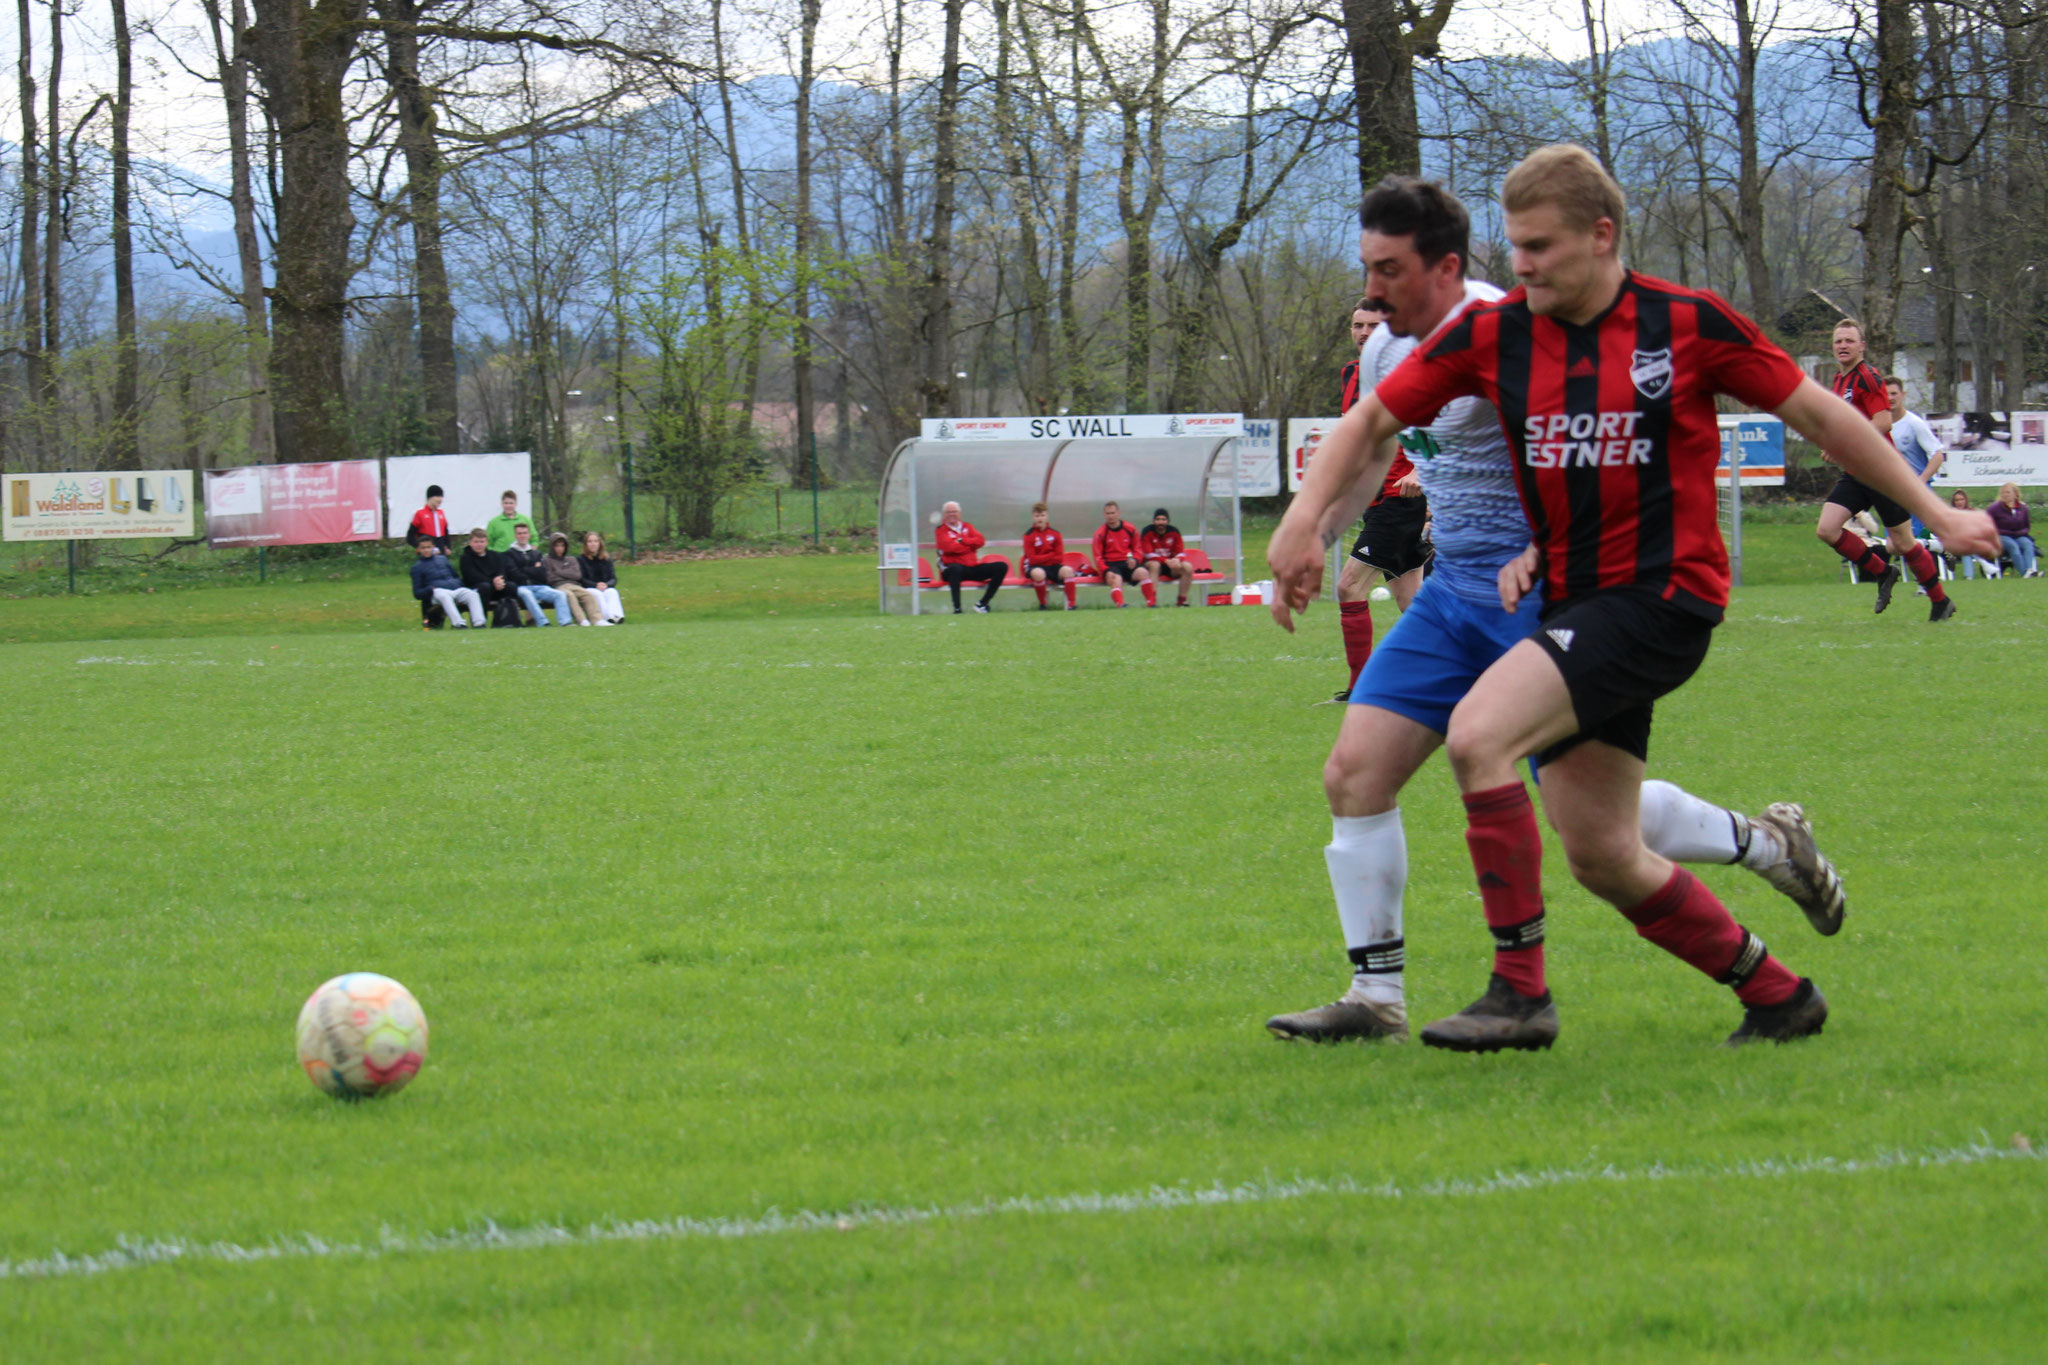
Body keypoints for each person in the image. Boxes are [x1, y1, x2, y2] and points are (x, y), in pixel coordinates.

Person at [1268, 145, 1997, 1051]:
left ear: (1601, 235)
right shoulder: (1493, 337)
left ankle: (1519, 993)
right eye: (1515, 246)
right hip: (1543, 598)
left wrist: (1934, 512)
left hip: (1658, 597)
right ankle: (1779, 993)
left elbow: (1824, 416)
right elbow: (1369, 426)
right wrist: (1304, 522)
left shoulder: (1683, 322)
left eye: (1537, 246)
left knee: (1481, 737)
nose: (1522, 265)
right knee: (1603, 849)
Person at [1811, 323, 1955, 621]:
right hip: (1856, 470)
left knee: (1903, 543)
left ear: (1861, 345)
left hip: (1882, 470)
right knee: (1827, 529)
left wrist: (1842, 444)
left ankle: (1940, 601)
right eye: (1838, 340)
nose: (1843, 345)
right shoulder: (1840, 379)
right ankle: (1883, 571)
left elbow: (1882, 422)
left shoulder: (1868, 377)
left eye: (1850, 340)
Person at [1330, 295, 1430, 702]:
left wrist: (1419, 470)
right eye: (1358, 325)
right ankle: (1465, 676)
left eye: (1374, 326)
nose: (1364, 333)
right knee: (1414, 602)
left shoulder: (1410, 372)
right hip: (1374, 499)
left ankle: (1362, 688)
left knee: (1349, 586)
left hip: (1400, 499)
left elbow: (1438, 424)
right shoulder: (1351, 374)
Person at [934, 502, 1008, 613]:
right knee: (955, 568)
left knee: (1001, 566)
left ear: (960, 514)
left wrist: (963, 540)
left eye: (954, 511)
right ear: (944, 515)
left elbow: (981, 541)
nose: (951, 514)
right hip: (952, 569)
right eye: (948, 512)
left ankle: (982, 604)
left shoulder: (968, 527)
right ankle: (957, 609)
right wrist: (971, 547)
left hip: (971, 567)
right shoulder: (940, 530)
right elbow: (949, 548)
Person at [410, 536, 483, 628]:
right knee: (444, 596)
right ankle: (459, 623)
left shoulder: (442, 559)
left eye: (428, 547)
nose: (426, 550)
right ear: (418, 550)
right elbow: (417, 593)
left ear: (433, 547)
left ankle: (479, 623)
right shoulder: (417, 567)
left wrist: (457, 583)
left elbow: (455, 575)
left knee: (472, 594)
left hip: (454, 589)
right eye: (423, 548)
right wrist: (430, 589)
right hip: (436, 593)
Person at [503, 523, 569, 625]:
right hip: (521, 587)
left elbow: (542, 574)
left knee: (560, 594)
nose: (522, 536)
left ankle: (565, 622)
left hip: (538, 586)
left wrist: (524, 569)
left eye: (525, 533)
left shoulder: (536, 553)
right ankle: (543, 622)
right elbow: (514, 574)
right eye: (519, 533)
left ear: (529, 535)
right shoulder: (509, 554)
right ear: (515, 536)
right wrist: (533, 569)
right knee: (527, 594)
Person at [1091, 502, 1153, 607]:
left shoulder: (1130, 529)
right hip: (1111, 565)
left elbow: (1138, 549)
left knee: (1143, 572)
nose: (1110, 516)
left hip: (1127, 563)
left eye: (1113, 513)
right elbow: (1098, 557)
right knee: (1116, 579)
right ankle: (1121, 604)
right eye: (1108, 514)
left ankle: (1151, 603)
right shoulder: (1100, 533)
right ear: (1104, 515)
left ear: (1118, 513)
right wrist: (1106, 570)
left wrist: (1136, 560)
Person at [1020, 503, 1078, 610]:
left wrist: (1043, 557)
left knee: (1068, 571)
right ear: (1033, 517)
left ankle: (1071, 605)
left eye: (1042, 515)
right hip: (1036, 567)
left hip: (1052, 566)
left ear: (1047, 516)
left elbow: (1059, 558)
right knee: (1039, 574)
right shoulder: (1028, 536)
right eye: (1037, 516)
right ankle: (1043, 604)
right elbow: (1032, 560)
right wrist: (1051, 555)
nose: (1040, 519)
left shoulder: (1055, 534)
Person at [457, 528, 518, 626]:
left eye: (482, 541)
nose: (479, 544)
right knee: (485, 587)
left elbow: (501, 571)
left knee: (511, 586)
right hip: (476, 588)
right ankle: (480, 621)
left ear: (487, 542)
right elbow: (472, 576)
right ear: (470, 543)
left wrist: (500, 581)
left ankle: (508, 619)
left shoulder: (495, 556)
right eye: (476, 542)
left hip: (495, 587)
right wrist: (492, 582)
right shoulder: (465, 558)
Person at [542, 531, 606, 625]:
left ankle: (597, 620)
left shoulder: (571, 559)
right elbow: (550, 577)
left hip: (574, 585)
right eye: (557, 546)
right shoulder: (547, 560)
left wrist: (558, 571)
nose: (560, 548)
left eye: (562, 545)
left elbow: (576, 575)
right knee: (569, 595)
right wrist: (566, 572)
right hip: (558, 586)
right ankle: (581, 620)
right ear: (552, 547)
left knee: (588, 595)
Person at [1140, 508, 1196, 606]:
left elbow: (1181, 552)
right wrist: (1166, 561)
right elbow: (1148, 554)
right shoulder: (1147, 531)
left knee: (1188, 567)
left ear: (1168, 521)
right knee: (1155, 565)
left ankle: (1182, 601)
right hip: (1154, 564)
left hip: (1170, 565)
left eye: (1163, 519)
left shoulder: (1174, 532)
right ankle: (1152, 601)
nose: (1160, 522)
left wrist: (1176, 560)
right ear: (1153, 521)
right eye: (1158, 519)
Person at [1990, 483, 2039, 577]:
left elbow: (2027, 526)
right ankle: (2025, 573)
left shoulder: (2023, 508)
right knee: (2013, 546)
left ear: (2015, 494)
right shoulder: (1994, 508)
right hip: (2001, 536)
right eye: (2003, 493)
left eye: (2008, 492)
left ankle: (2030, 570)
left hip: (2019, 535)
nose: (2005, 495)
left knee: (2028, 544)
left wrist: (2020, 533)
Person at [579, 531, 626, 622]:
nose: (593, 544)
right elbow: (581, 579)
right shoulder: (581, 559)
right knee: (598, 594)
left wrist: (607, 585)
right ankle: (607, 617)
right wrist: (595, 585)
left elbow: (613, 578)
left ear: (600, 543)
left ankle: (617, 616)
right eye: (590, 541)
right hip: (589, 587)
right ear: (586, 544)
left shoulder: (606, 559)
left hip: (605, 586)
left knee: (612, 592)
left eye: (596, 541)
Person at [407, 484, 452, 552]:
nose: (441, 499)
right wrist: (420, 547)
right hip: (427, 553)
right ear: (430, 497)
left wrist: (448, 547)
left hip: (441, 552)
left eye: (441, 497)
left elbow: (446, 533)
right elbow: (410, 536)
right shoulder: (420, 513)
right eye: (438, 496)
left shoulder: (441, 513)